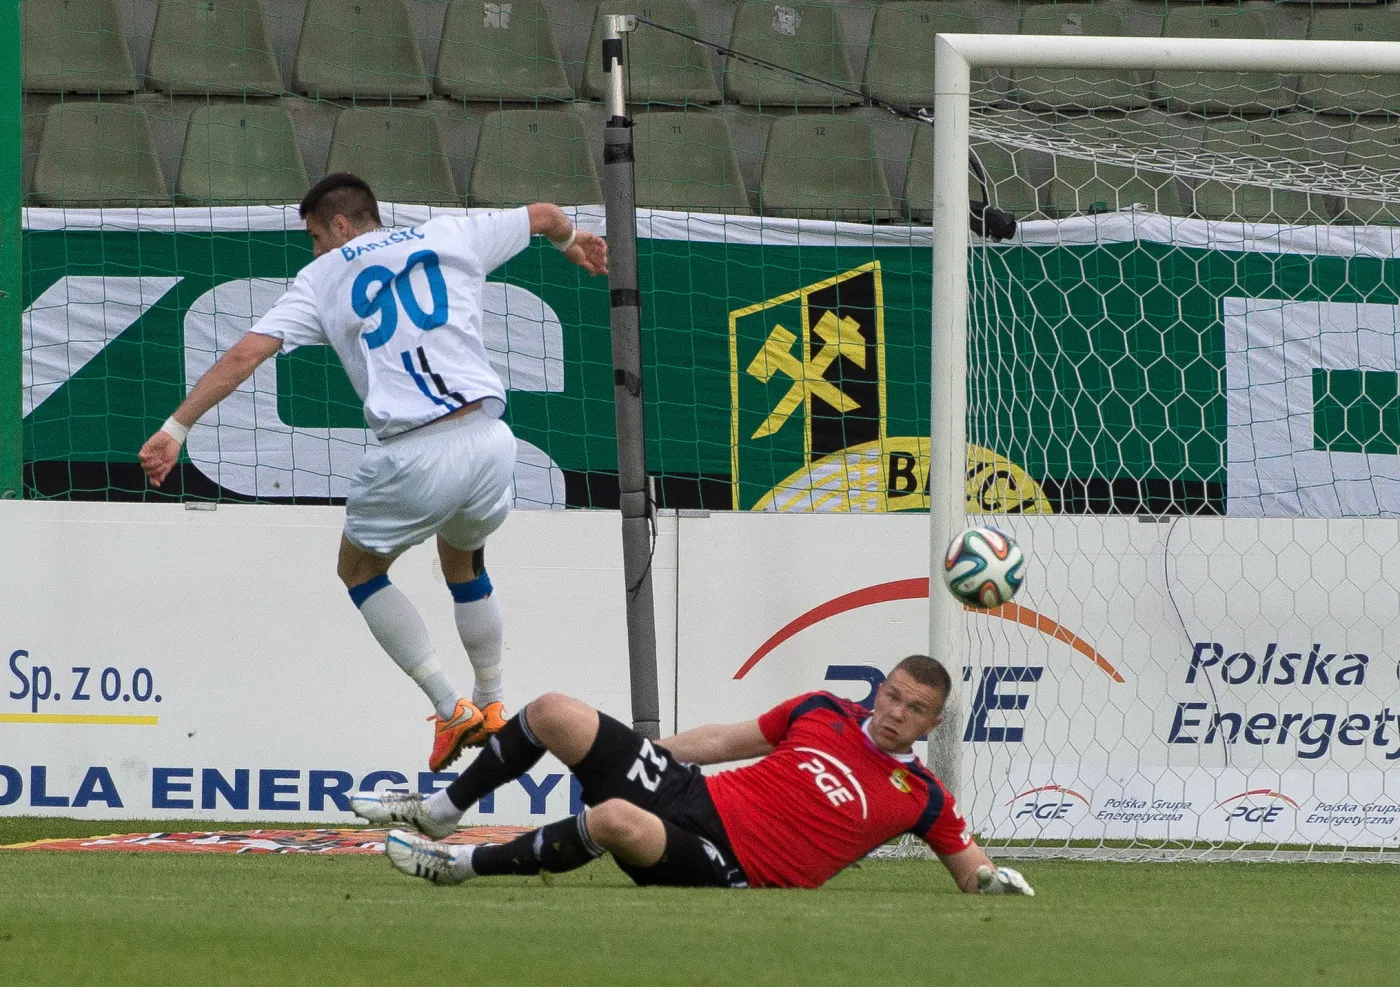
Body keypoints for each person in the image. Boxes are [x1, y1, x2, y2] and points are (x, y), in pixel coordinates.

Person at [138, 173, 608, 772]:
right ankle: (492, 700)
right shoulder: (452, 234)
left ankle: (450, 708)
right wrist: (570, 243)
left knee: (357, 570)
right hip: (491, 440)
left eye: (313, 235)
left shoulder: (322, 277)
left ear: (340, 225)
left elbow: (243, 356)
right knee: (462, 559)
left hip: (414, 449)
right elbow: (543, 210)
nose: (312, 250)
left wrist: (175, 428)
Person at [351, 654, 1035, 894]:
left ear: (932, 725)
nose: (894, 713)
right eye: (891, 694)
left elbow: (972, 871)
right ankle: (443, 808)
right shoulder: (822, 708)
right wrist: (629, 756)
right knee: (556, 710)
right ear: (878, 687)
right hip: (690, 791)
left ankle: (460, 866)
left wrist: (994, 882)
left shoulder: (923, 796)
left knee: (615, 821)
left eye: (914, 709)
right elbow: (720, 739)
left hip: (722, 861)